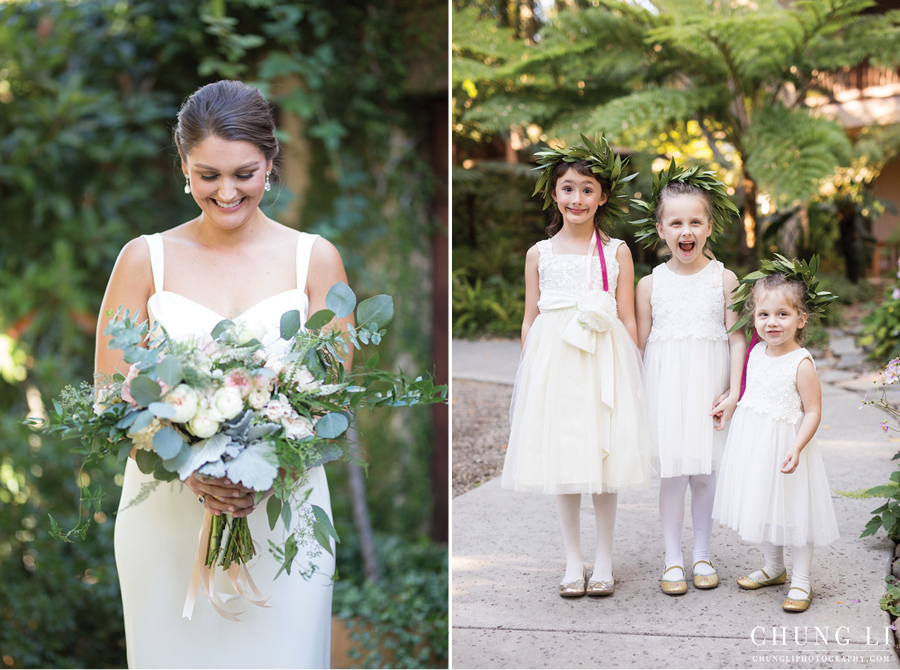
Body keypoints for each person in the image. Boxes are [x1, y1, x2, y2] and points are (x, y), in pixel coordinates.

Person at [95, 80, 351, 668]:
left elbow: (333, 403)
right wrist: (189, 465)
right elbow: (111, 396)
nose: (227, 191)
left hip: (282, 514)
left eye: (245, 173)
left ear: (270, 162)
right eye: (208, 175)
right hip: (166, 517)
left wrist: (263, 468)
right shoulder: (144, 260)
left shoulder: (315, 260)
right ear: (184, 167)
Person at [501, 136, 653, 598]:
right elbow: (531, 319)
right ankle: (572, 560)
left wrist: (631, 371)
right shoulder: (539, 254)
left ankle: (604, 559)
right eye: (568, 188)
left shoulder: (617, 252)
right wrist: (534, 375)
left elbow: (627, 318)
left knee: (605, 458)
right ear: (553, 193)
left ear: (603, 196)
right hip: (557, 363)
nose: (577, 199)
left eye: (588, 190)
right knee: (564, 459)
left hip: (603, 362)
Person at [633, 162, 744, 595]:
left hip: (709, 389)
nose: (686, 230)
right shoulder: (650, 284)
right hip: (666, 391)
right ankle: (672, 559)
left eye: (695, 221)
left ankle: (702, 552)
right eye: (676, 222)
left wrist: (734, 391)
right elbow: (639, 347)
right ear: (661, 229)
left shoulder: (725, 279)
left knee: (705, 474)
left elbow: (737, 340)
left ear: (709, 226)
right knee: (673, 475)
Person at [712, 260, 839, 612]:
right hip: (756, 445)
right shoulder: (755, 352)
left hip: (787, 446)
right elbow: (751, 395)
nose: (771, 322)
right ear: (753, 318)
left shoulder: (801, 363)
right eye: (763, 314)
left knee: (795, 511)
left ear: (801, 318)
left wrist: (797, 446)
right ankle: (773, 567)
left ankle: (801, 581)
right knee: (763, 504)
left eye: (782, 314)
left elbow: (813, 410)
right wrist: (730, 410)